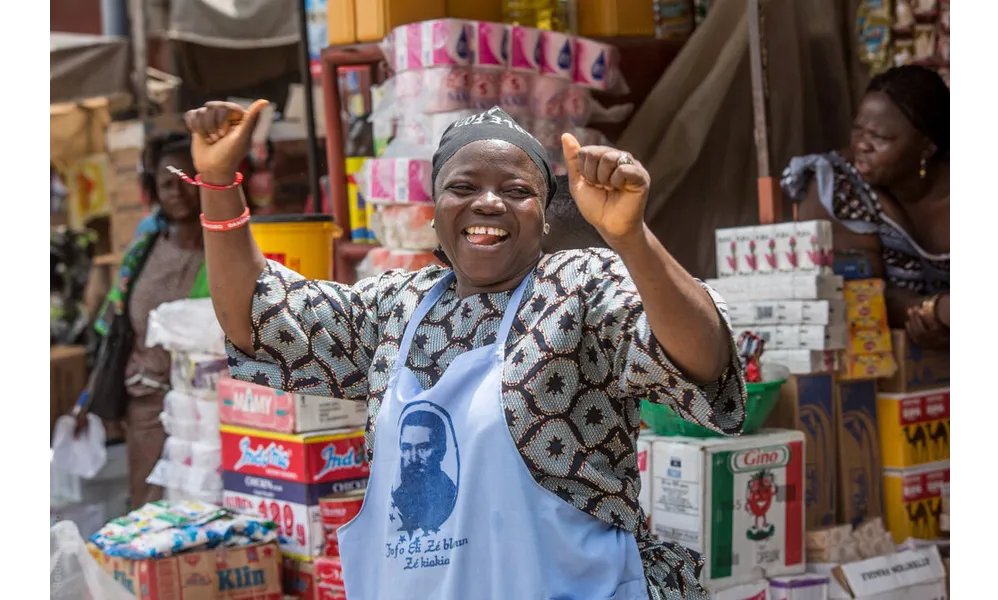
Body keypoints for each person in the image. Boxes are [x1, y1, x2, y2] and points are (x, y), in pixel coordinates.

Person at [186, 100, 747, 600]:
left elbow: (703, 360)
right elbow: (255, 317)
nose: (488, 203)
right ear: (434, 208)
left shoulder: (579, 289)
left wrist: (631, 238)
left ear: (546, 217)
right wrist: (216, 180)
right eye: (462, 187)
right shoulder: (394, 308)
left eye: (517, 191)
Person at [74, 132, 210, 507]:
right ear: (155, 190)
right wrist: (90, 397)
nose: (178, 192)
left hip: (207, 408)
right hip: (147, 407)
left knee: (205, 505)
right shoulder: (144, 250)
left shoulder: (226, 251)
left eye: (187, 181)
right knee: (149, 507)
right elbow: (113, 328)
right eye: (167, 184)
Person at [781, 65, 951, 350]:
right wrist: (936, 310)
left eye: (880, 138)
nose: (862, 145)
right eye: (857, 130)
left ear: (927, 147)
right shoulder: (840, 186)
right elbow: (858, 289)